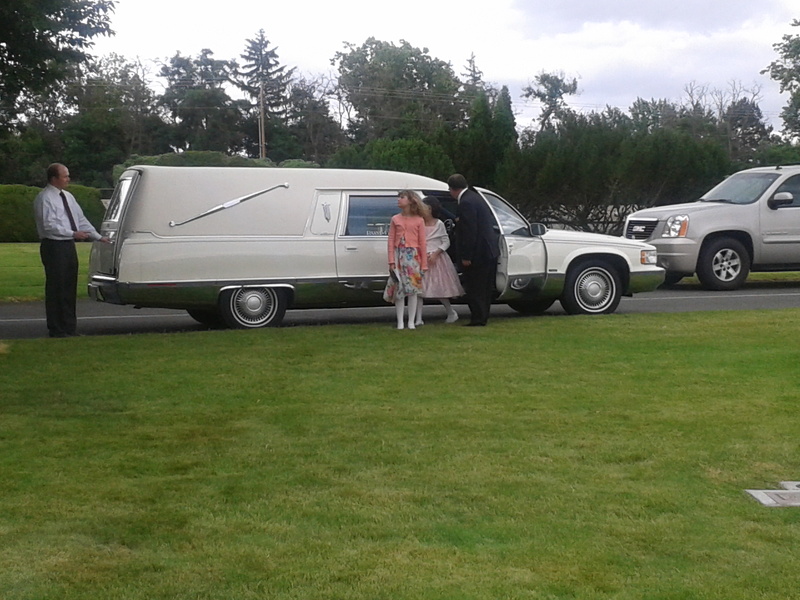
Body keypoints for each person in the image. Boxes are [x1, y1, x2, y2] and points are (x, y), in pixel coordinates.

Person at [33, 163, 109, 337]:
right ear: (54, 178)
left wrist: (97, 236)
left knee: (69, 286)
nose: (68, 179)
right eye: (65, 176)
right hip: (54, 245)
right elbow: (49, 226)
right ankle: (56, 328)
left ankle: (69, 327)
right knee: (57, 287)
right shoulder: (45, 198)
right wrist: (73, 233)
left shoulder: (68, 196)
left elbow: (80, 219)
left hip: (68, 245)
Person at [448, 173, 500, 326]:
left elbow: (470, 231)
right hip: (488, 251)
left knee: (475, 287)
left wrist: (466, 256)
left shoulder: (465, 203)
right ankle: (482, 316)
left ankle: (478, 318)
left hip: (478, 253)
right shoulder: (476, 198)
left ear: (452, 189)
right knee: (484, 288)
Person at [414, 196, 463, 326]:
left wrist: (437, 253)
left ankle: (451, 312)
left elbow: (446, 241)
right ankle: (418, 318)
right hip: (421, 258)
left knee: (440, 288)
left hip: (436, 259)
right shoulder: (419, 223)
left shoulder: (439, 223)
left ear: (430, 209)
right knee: (419, 289)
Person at [383, 190, 428, 330]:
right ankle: (400, 322)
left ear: (410, 200)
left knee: (413, 289)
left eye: (402, 197)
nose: (398, 200)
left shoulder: (419, 220)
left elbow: (422, 242)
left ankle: (411, 321)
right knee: (399, 289)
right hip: (398, 256)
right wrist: (391, 260)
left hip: (413, 257)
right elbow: (391, 241)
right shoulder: (395, 219)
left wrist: (423, 264)